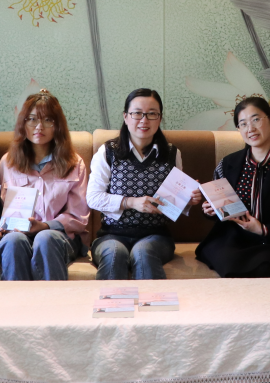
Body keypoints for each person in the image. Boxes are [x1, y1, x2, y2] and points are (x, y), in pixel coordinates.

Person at [86, 88, 202, 281]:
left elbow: (173, 203)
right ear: (126, 116)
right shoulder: (108, 152)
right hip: (111, 235)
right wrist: (131, 202)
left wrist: (188, 199)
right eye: (137, 113)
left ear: (160, 118)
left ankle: (153, 302)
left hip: (156, 237)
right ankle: (112, 301)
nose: (144, 120)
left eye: (152, 114)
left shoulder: (171, 153)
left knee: (143, 252)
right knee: (114, 253)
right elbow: (93, 198)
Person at [196, 96, 270, 277]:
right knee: (227, 260)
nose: (250, 129)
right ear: (239, 129)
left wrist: (263, 229)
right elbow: (222, 205)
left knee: (265, 265)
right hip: (232, 238)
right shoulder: (228, 163)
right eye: (243, 124)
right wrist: (212, 210)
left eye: (256, 120)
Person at [0, 91, 91, 281]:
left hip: (60, 237)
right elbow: (1, 208)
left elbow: (79, 216)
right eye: (32, 119)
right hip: (18, 233)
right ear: (23, 123)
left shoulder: (74, 163)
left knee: (45, 237)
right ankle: (14, 299)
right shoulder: (8, 163)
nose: (39, 127)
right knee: (13, 240)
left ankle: (52, 300)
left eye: (48, 120)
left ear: (58, 126)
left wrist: (45, 226)